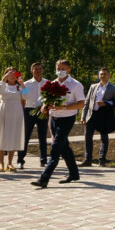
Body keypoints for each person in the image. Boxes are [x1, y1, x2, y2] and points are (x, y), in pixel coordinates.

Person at [31, 60, 85, 188]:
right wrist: (44, 106)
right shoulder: (52, 83)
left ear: (69, 70)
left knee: (55, 149)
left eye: (63, 69)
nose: (60, 71)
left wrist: (64, 107)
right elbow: (46, 99)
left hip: (67, 118)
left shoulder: (75, 85)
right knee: (64, 147)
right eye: (58, 68)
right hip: (54, 118)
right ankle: (74, 173)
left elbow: (81, 103)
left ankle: (44, 178)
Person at [81, 67, 115, 167]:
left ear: (109, 75)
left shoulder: (113, 88)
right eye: (101, 74)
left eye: (105, 74)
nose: (103, 76)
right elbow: (87, 102)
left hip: (104, 116)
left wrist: (106, 103)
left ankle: (102, 160)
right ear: (99, 75)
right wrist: (83, 116)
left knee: (104, 138)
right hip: (91, 115)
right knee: (87, 137)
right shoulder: (93, 86)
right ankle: (88, 159)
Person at [0, 67, 25, 172]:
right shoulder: (3, 85)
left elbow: (28, 96)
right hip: (4, 110)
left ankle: (9, 163)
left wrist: (22, 84)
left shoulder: (19, 87)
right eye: (10, 74)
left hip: (16, 112)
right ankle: (1, 163)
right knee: (1, 135)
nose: (12, 76)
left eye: (14, 74)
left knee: (13, 136)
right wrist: (3, 79)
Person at [17, 62, 48, 169]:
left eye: (39, 69)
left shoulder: (48, 83)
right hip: (29, 111)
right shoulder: (26, 84)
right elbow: (22, 99)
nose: (38, 71)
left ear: (42, 70)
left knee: (42, 137)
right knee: (25, 137)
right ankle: (20, 160)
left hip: (42, 111)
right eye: (36, 69)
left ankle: (43, 160)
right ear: (32, 71)